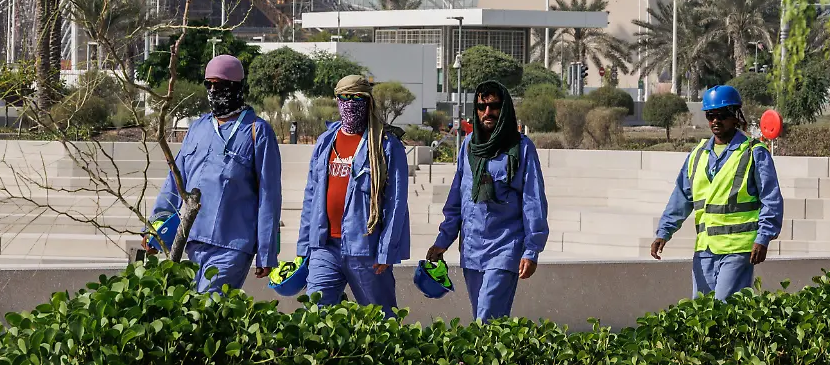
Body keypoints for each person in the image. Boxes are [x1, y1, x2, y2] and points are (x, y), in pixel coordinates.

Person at [150, 54, 282, 293]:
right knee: (192, 309)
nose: (213, 90)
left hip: (232, 245)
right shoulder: (197, 128)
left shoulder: (257, 131)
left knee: (209, 303)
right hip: (192, 240)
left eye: (219, 85)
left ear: (236, 86)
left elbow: (269, 196)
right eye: (208, 84)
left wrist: (266, 252)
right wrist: (155, 231)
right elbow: (175, 182)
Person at [427, 80, 549, 320]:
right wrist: (443, 241)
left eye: (494, 106)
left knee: (486, 316)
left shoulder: (522, 148)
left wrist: (532, 250)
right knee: (486, 323)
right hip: (472, 251)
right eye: (482, 107)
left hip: (505, 249)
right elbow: (457, 199)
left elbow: (533, 202)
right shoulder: (469, 146)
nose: (487, 112)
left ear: (504, 109)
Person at [650, 84, 784, 299]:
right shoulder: (698, 154)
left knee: (725, 306)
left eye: (721, 115)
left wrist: (763, 237)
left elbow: (771, 199)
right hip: (705, 249)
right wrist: (663, 232)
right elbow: (681, 198)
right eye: (710, 115)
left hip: (738, 249)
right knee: (702, 310)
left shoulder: (754, 152)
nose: (715, 120)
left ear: (735, 116)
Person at [296, 74, 410, 316]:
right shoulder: (326, 141)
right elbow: (311, 196)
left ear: (368, 101)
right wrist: (305, 246)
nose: (350, 103)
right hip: (325, 247)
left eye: (357, 98)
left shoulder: (386, 144)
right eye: (344, 97)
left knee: (380, 318)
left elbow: (396, 202)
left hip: (366, 250)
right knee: (315, 315)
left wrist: (386, 250)